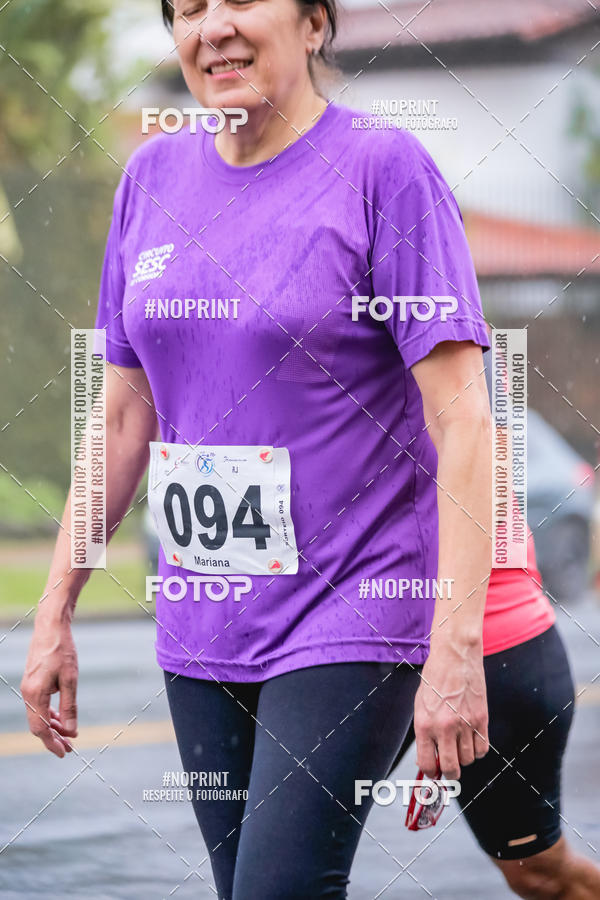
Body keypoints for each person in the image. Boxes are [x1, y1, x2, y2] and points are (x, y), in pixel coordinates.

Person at [20, 0, 493, 897]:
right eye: (188, 9)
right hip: (201, 617)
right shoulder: (151, 178)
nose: (213, 28)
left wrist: (456, 647)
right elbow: (123, 417)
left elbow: (464, 417)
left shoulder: (382, 170)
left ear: (315, 22)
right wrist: (55, 607)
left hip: (355, 603)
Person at [390, 531, 600, 899]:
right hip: (328, 635)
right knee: (277, 852)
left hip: (492, 633)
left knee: (538, 874)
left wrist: (458, 651)